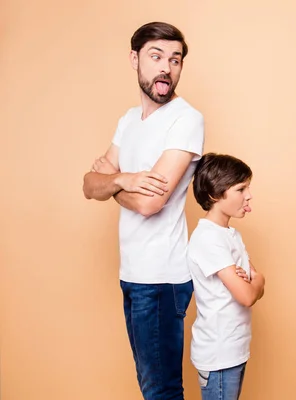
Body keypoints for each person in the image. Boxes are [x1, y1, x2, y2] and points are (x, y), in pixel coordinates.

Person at [82, 21, 204, 400]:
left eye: (175, 59)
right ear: (135, 59)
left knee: (161, 390)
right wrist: (125, 180)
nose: (166, 67)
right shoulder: (127, 121)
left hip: (161, 278)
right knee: (150, 387)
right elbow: (89, 185)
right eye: (156, 56)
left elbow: (151, 203)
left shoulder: (186, 119)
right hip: (132, 273)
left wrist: (113, 179)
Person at [187, 153, 266, 400]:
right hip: (219, 353)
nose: (249, 195)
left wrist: (256, 281)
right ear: (215, 194)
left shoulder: (230, 235)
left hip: (234, 348)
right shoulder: (209, 238)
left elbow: (255, 283)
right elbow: (247, 294)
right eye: (241, 188)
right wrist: (256, 281)